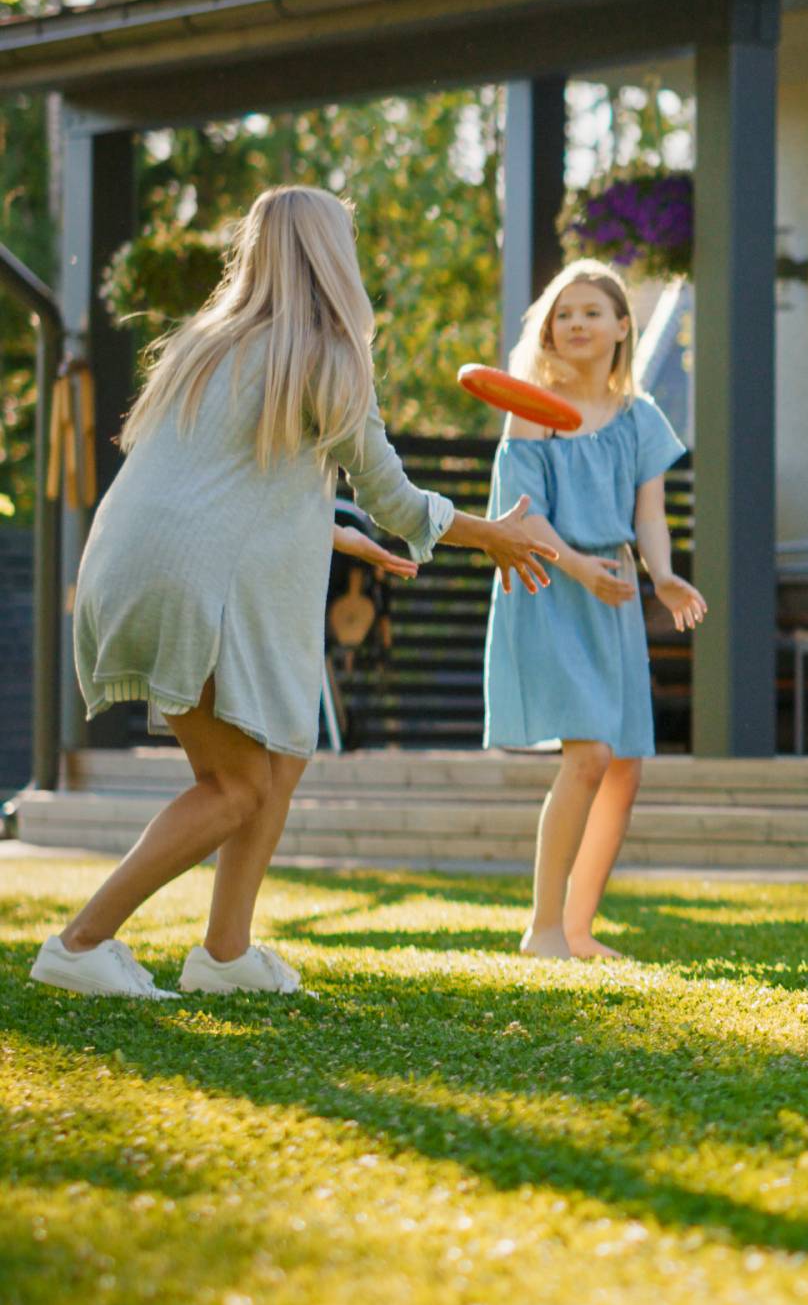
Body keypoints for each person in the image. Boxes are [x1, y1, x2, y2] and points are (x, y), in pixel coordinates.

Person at [30, 186, 559, 999]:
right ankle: (80, 943)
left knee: (282, 756)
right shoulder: (329, 356)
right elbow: (399, 501)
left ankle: (226, 954)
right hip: (194, 580)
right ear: (331, 257)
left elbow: (231, 482)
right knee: (237, 786)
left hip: (127, 563)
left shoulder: (204, 344)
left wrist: (332, 532)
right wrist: (495, 534)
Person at [483, 261, 706, 960]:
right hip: (550, 587)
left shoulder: (640, 418)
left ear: (620, 327)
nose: (575, 323)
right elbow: (522, 516)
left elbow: (650, 515)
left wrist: (663, 576)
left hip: (612, 594)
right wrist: (578, 566)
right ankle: (542, 929)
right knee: (589, 755)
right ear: (548, 330)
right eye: (563, 313)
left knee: (623, 767)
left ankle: (577, 931)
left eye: (590, 311)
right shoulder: (531, 410)